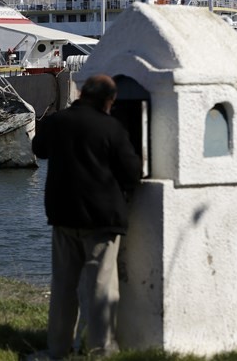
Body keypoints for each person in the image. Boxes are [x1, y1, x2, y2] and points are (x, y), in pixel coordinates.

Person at [31, 74, 142, 359]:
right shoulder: (112, 128)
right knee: (101, 286)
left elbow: (39, 149)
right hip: (101, 219)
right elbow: (132, 173)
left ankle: (58, 350)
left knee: (64, 286)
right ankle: (100, 350)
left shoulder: (57, 121)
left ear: (81, 94)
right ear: (109, 100)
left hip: (63, 215)